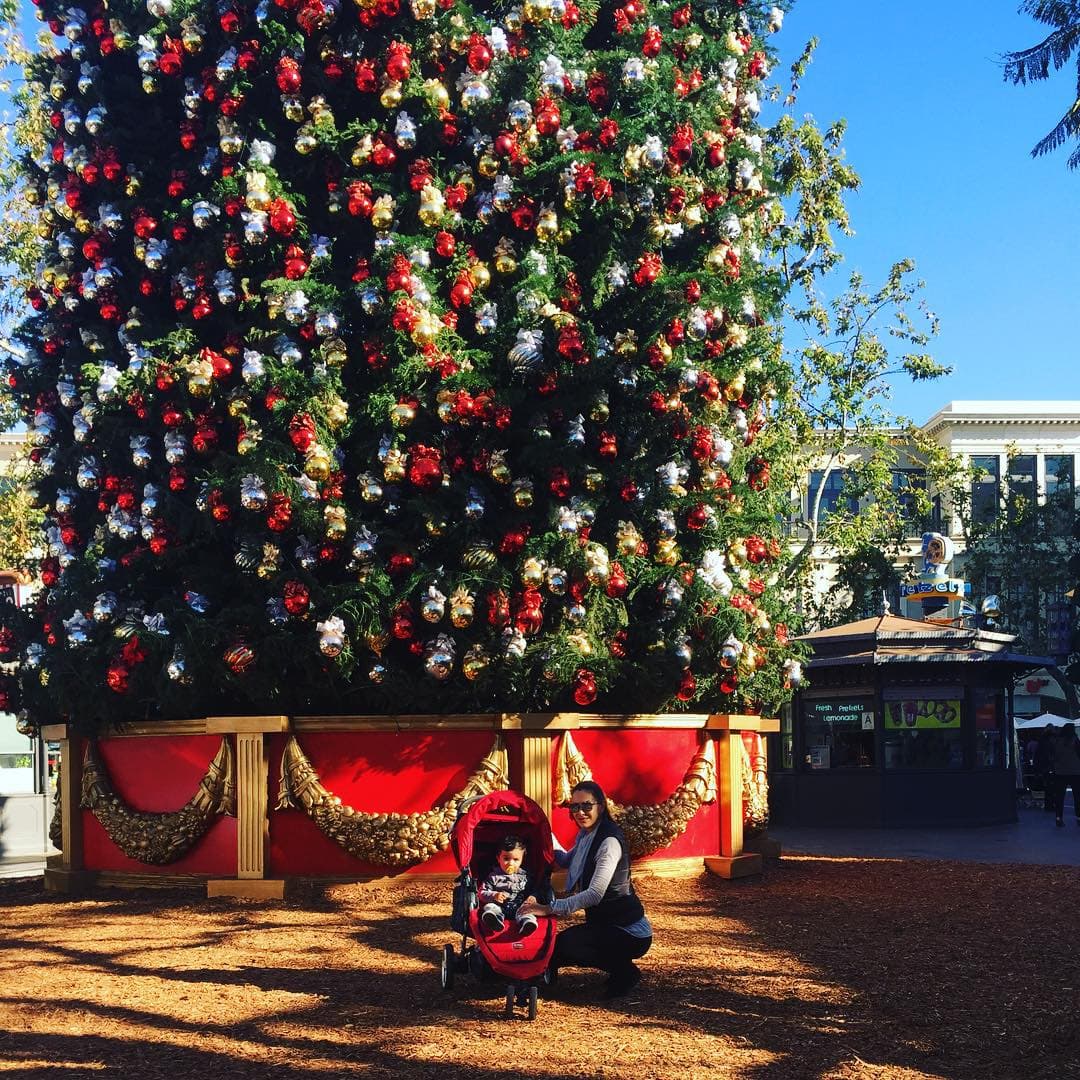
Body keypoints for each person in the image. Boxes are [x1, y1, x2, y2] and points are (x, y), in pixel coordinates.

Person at [518, 780, 652, 1000]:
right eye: (575, 807)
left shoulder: (608, 842)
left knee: (567, 946)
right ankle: (617, 967)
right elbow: (564, 860)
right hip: (606, 924)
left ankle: (625, 973)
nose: (580, 812)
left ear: (600, 805)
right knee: (559, 945)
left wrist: (548, 908)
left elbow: (595, 893)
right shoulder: (587, 834)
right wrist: (542, 836)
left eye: (586, 806)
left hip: (629, 931)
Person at [478, 834, 538, 935]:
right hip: (500, 906)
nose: (510, 863)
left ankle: (527, 924)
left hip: (520, 906)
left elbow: (534, 889)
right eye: (506, 859)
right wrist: (494, 895)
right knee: (490, 907)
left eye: (515, 860)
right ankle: (495, 921)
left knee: (528, 912)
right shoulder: (493, 877)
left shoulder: (526, 876)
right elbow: (481, 893)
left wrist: (533, 897)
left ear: (522, 859)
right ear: (498, 858)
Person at [1049, 723, 1080, 827]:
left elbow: (1053, 756)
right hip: (1075, 772)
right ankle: (1079, 818)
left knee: (1059, 797)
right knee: (1078, 796)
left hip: (1060, 772)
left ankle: (1058, 818)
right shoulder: (1075, 741)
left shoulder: (1057, 741)